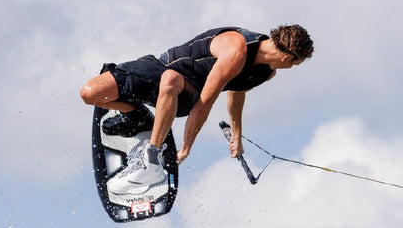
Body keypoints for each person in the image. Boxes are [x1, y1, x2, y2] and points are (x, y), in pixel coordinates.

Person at [80, 25, 313, 194]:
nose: (291, 68)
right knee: (90, 93)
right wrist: (185, 148)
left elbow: (236, 91)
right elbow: (206, 104)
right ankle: (136, 116)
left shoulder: (266, 72)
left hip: (184, 92)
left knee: (170, 79)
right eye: (295, 64)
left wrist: (237, 135)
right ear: (286, 57)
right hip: (158, 67)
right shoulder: (236, 50)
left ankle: (151, 158)